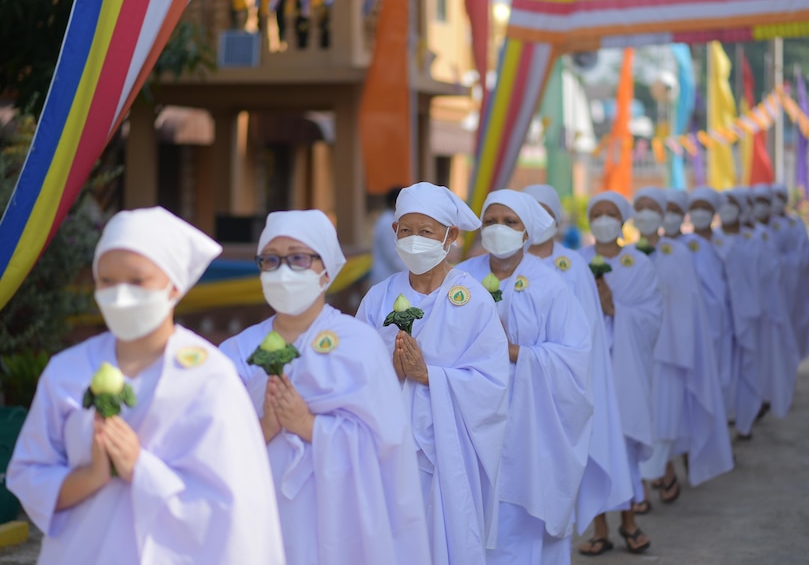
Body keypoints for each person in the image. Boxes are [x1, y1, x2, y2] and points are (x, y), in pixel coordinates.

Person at [8, 207, 287, 565]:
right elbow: (29, 475)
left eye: (137, 281)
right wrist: (89, 478)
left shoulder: (209, 378)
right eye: (106, 281)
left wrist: (140, 469)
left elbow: (233, 508)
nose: (120, 295)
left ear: (173, 285)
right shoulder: (67, 371)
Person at [219, 210, 430, 565]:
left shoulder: (359, 346)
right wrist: (265, 428)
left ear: (327, 270)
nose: (283, 270)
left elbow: (389, 448)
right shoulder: (236, 354)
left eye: (298, 258)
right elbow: (212, 449)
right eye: (271, 260)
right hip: (260, 521)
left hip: (340, 525)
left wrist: (310, 426)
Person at [355, 182, 510, 565]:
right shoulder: (378, 297)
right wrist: (388, 371)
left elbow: (492, 383)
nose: (414, 241)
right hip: (389, 453)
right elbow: (354, 375)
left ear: (450, 236)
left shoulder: (472, 299)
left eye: (426, 232)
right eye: (405, 231)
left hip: (446, 454)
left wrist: (431, 377)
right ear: (393, 233)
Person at [458, 189, 593, 565]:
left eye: (509, 222)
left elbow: (576, 357)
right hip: (474, 416)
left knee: (521, 508)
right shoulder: (461, 281)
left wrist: (513, 352)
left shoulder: (551, 285)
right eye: (490, 221)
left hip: (531, 422)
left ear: (527, 231)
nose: (498, 229)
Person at [522, 184, 633, 529]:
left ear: (557, 219)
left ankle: (617, 522)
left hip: (570, 376)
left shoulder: (573, 266)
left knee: (589, 445)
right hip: (526, 380)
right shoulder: (507, 265)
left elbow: (590, 331)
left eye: (546, 212)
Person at [631, 187, 733, 507]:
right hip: (635, 351)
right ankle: (649, 480)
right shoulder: (627, 255)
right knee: (637, 416)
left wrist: (684, 347)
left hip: (670, 350)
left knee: (663, 417)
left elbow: (689, 303)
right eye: (640, 207)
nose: (646, 214)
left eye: (652, 208)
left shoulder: (679, 254)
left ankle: (652, 478)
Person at [576, 191, 661, 556]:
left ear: (623, 220)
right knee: (590, 445)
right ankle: (598, 528)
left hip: (624, 368)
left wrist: (615, 310)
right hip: (587, 370)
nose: (604, 220)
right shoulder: (576, 262)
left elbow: (651, 316)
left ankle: (629, 522)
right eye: (597, 213)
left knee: (622, 443)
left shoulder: (638, 263)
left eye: (611, 213)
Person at [669, 187, 735, 419]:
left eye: (675, 211)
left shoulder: (696, 246)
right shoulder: (648, 251)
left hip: (702, 328)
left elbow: (715, 295)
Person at [747, 185, 801, 421]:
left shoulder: (788, 226)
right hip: (752, 307)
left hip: (777, 297)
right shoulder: (750, 235)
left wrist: (779, 265)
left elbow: (801, 259)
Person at [715, 190, 766, 439]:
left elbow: (762, 278)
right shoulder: (710, 241)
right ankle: (725, 422)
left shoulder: (752, 239)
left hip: (747, 314)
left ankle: (745, 418)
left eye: (731, 204)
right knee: (722, 371)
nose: (727, 209)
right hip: (720, 319)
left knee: (746, 367)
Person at [770, 184, 809, 361]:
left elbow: (805, 255)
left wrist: (785, 263)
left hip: (793, 288)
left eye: (780, 196)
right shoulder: (762, 229)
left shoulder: (795, 224)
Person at [370, 187, 407, 284]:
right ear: (395, 203)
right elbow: (393, 257)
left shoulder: (393, 220)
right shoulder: (387, 222)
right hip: (386, 277)